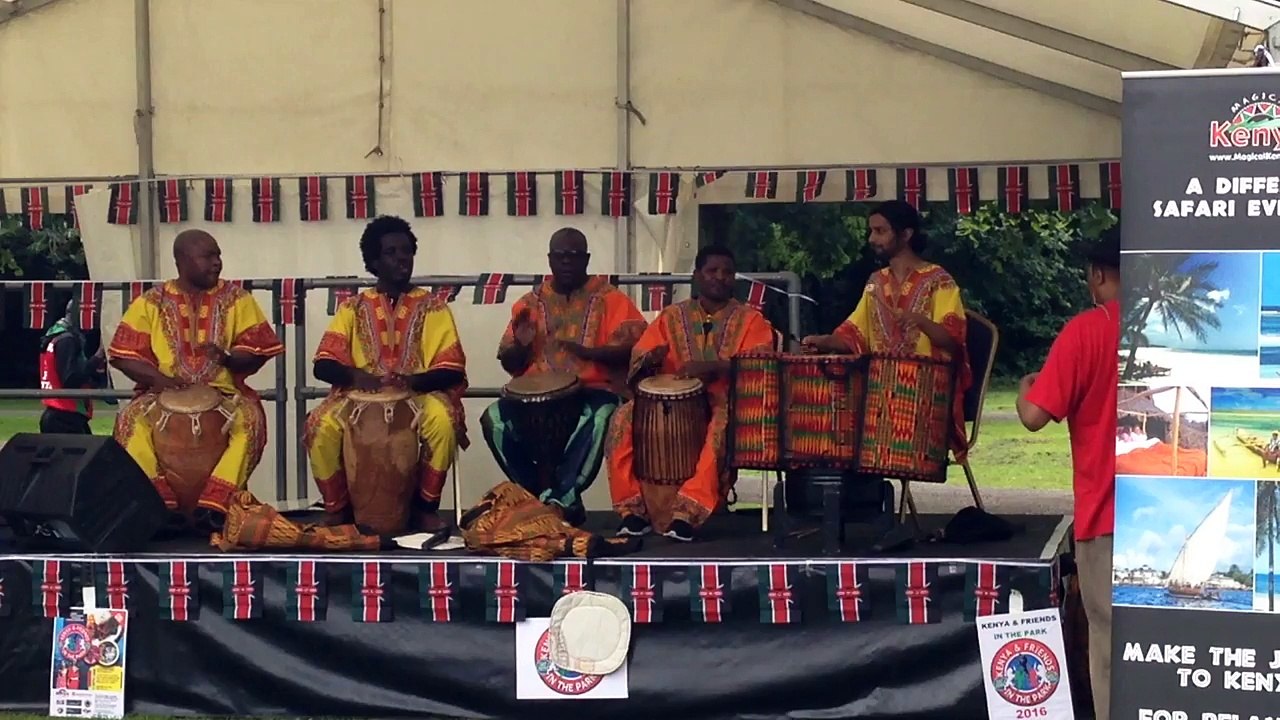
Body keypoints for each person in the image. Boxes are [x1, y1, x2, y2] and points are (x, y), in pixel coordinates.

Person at [108, 229, 284, 532]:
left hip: (225, 395)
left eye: (218, 256)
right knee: (129, 422)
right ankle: (158, 504)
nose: (217, 263)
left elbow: (258, 351)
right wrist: (160, 380)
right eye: (208, 256)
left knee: (251, 421)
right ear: (181, 261)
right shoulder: (151, 302)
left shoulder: (237, 300)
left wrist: (227, 359)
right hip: (159, 395)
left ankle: (216, 504)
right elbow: (123, 354)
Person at [304, 215, 468, 533]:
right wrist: (355, 376)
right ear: (374, 261)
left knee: (444, 422)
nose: (401, 258)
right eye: (391, 252)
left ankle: (425, 507)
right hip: (356, 397)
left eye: (406, 251)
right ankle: (337, 508)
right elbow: (323, 364)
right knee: (319, 425)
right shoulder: (352, 308)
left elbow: (450, 369)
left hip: (420, 395)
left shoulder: (434, 307)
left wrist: (413, 382)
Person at [1014, 230, 1119, 720]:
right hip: (1174, 507)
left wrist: (1023, 387)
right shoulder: (1166, 328)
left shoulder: (1086, 330)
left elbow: (1035, 415)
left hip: (1106, 516)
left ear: (1097, 275)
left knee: (1108, 645)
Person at [606, 244, 776, 542]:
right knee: (622, 418)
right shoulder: (671, 316)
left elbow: (761, 365)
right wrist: (649, 360)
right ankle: (632, 511)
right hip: (670, 405)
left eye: (727, 272)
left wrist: (714, 367)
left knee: (721, 426)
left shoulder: (751, 320)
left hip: (725, 401)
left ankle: (687, 514)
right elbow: (640, 360)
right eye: (712, 271)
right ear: (697, 275)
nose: (720, 277)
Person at [482, 228, 647, 525]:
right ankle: (543, 496)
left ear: (586, 259)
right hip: (533, 399)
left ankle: (562, 497)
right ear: (550, 259)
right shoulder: (528, 304)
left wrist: (588, 352)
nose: (567, 262)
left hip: (593, 390)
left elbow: (637, 349)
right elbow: (509, 362)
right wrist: (520, 345)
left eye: (574, 256)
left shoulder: (611, 299)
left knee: (603, 416)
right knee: (492, 419)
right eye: (560, 256)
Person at [800, 199, 972, 460]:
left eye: (880, 231)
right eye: (871, 231)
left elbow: (953, 341)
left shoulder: (939, 281)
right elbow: (853, 335)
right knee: (828, 427)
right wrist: (823, 341)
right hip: (879, 395)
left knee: (851, 430)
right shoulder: (876, 282)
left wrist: (921, 321)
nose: (872, 238)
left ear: (906, 234)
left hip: (925, 397)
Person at [38, 298, 112, 434]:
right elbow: (70, 379)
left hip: (62, 413)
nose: (94, 320)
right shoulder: (67, 340)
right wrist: (97, 357)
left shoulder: (56, 336)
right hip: (65, 416)